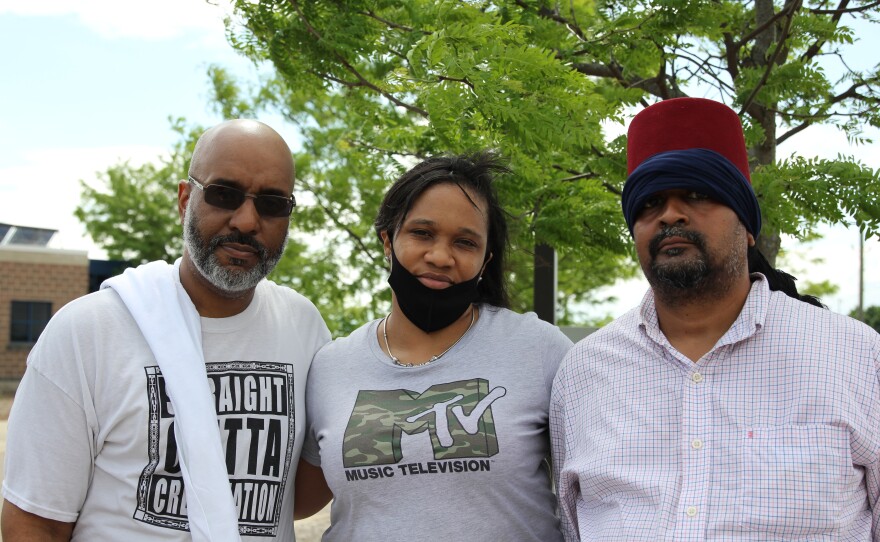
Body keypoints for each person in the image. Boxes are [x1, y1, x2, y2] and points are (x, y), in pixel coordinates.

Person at [550, 96, 880, 540]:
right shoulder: (584, 372)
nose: (670, 214)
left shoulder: (855, 356)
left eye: (698, 194)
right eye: (649, 203)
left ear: (747, 227)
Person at [1, 119, 330, 541]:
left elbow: (295, 497)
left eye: (272, 203)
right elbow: (35, 522)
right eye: (224, 194)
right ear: (184, 199)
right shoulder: (88, 332)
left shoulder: (304, 329)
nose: (247, 221)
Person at [294, 152, 573, 540]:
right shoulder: (330, 366)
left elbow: (598, 487)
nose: (440, 256)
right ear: (388, 241)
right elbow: (293, 501)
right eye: (422, 233)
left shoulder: (538, 348)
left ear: (485, 259)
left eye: (465, 242)